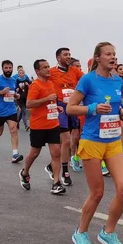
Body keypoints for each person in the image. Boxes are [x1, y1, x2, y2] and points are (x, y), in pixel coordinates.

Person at [67, 42, 123, 244]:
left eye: (114, 53)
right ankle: (81, 232)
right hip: (92, 141)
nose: (113, 57)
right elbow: (70, 108)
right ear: (97, 58)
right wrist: (92, 108)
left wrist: (120, 111)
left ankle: (108, 232)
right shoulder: (87, 80)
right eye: (108, 54)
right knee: (97, 192)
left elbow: (112, 103)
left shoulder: (117, 80)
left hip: (112, 141)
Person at [18, 59, 66, 194]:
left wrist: (56, 107)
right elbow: (29, 104)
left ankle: (56, 183)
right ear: (37, 71)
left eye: (48, 66)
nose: (48, 69)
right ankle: (24, 172)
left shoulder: (51, 83)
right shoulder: (35, 85)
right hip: (38, 125)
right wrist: (47, 99)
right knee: (34, 153)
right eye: (44, 67)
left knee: (56, 153)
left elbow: (50, 102)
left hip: (53, 124)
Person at [48, 47, 84, 186]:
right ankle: (65, 172)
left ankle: (52, 166)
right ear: (58, 58)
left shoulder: (75, 71)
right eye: (65, 55)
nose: (68, 56)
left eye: (69, 54)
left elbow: (86, 80)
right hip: (61, 108)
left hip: (73, 107)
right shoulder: (51, 72)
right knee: (66, 140)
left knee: (73, 139)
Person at [0, 60, 24, 163]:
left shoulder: (13, 80)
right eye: (6, 68)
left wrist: (16, 95)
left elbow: (11, 92)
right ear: (2, 68)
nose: (8, 70)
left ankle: (15, 154)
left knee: (13, 130)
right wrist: (1, 92)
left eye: (10, 68)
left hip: (11, 110)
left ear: (12, 68)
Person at [15, 65, 32, 131]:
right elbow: (14, 87)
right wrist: (16, 89)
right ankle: (26, 125)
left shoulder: (26, 79)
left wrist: (28, 84)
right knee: (24, 111)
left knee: (22, 112)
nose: (21, 74)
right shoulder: (16, 80)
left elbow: (32, 85)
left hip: (26, 97)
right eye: (20, 73)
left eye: (22, 73)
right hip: (20, 98)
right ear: (18, 74)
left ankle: (17, 122)